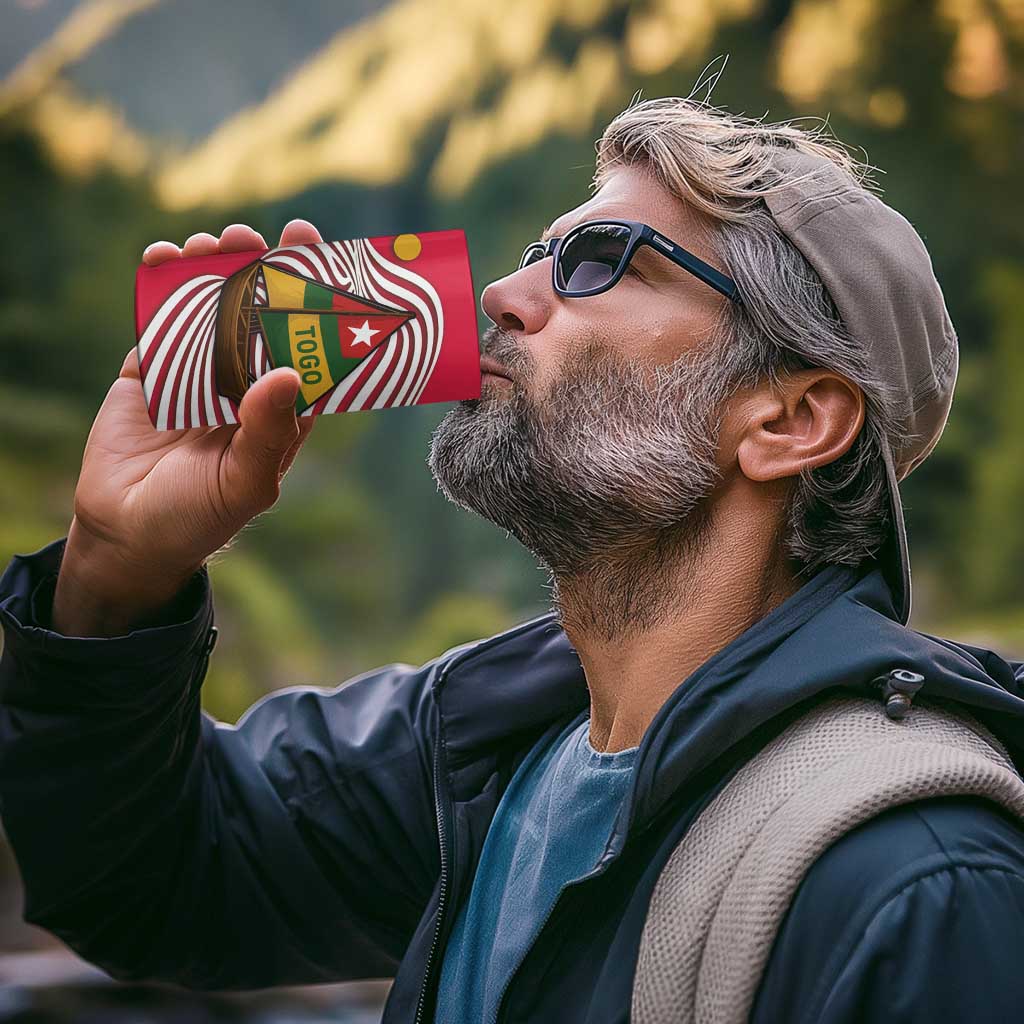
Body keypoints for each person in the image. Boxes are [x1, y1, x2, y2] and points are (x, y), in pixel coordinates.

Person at [2, 95, 1024, 1024]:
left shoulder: (918, 884)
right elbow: (149, 880)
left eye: (599, 261)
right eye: (541, 252)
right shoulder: (479, 750)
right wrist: (115, 572)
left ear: (790, 419)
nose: (501, 292)